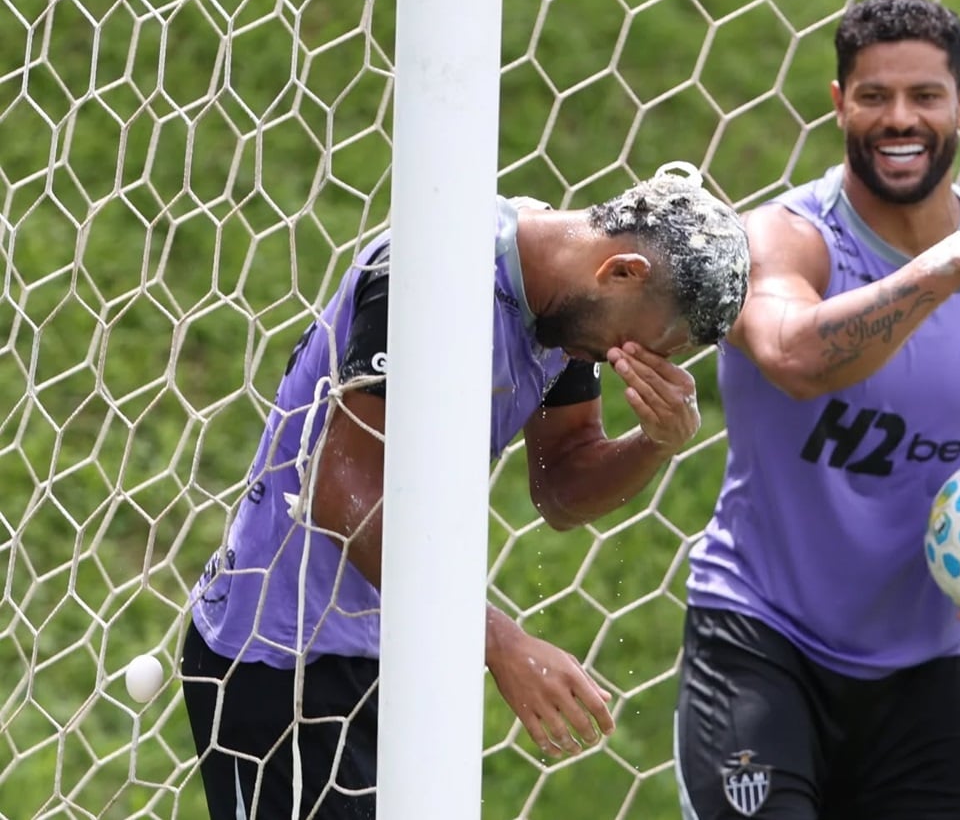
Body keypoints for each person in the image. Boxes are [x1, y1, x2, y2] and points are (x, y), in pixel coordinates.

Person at [180, 162, 750, 819]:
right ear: (621, 271)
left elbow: (561, 484)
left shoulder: (562, 316)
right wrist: (496, 639)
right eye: (653, 341)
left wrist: (654, 442)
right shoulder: (431, 272)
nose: (643, 360)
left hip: (394, 651)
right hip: (282, 659)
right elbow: (341, 493)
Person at [674, 0, 960, 819]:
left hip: (924, 670)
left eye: (924, 96)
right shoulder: (781, 240)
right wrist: (955, 262)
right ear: (839, 102)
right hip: (761, 642)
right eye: (873, 96)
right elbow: (796, 357)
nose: (899, 118)